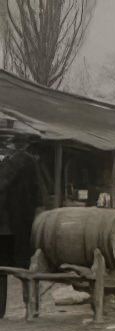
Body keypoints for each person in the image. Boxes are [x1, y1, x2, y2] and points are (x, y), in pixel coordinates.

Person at [0, 126, 43, 319]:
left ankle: (12, 310)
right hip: (19, 222)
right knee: (22, 267)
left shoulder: (16, 162)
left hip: (9, 224)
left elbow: (3, 183)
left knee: (7, 267)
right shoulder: (30, 162)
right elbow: (39, 194)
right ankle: (31, 308)